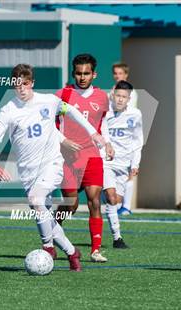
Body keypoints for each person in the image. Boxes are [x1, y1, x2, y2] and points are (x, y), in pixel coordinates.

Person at [0, 64, 106, 272]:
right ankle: (72, 252)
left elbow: (72, 111)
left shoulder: (49, 100)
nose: (21, 88)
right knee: (45, 214)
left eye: (26, 84)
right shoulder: (8, 110)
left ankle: (48, 248)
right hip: (28, 174)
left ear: (32, 84)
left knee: (36, 201)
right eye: (17, 84)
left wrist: (93, 132)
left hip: (52, 165)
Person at [55, 54, 114, 263]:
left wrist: (106, 143)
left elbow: (102, 124)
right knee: (70, 204)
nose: (82, 77)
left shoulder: (101, 97)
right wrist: (62, 142)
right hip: (68, 157)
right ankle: (53, 231)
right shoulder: (62, 95)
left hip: (92, 156)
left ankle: (95, 250)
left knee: (95, 201)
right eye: (79, 73)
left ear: (94, 74)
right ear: (73, 74)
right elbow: (50, 126)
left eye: (86, 73)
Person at [103, 81, 143, 249]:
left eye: (124, 97)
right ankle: (117, 238)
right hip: (106, 162)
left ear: (129, 99)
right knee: (111, 197)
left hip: (123, 165)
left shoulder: (135, 114)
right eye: (118, 96)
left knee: (116, 201)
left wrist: (135, 164)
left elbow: (137, 140)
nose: (120, 100)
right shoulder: (105, 112)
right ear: (113, 95)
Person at [110, 63, 138, 215]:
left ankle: (126, 206)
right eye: (115, 73)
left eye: (120, 73)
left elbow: (126, 113)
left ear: (125, 74)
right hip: (114, 139)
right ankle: (115, 204)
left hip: (127, 136)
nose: (117, 76)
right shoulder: (112, 92)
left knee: (128, 172)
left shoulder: (131, 93)